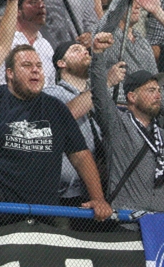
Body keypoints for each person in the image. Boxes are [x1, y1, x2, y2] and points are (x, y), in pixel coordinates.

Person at [0, 45, 111, 229]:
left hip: (43, 207)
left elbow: (81, 155)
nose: (35, 70)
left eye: (39, 66)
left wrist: (98, 198)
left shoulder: (55, 109)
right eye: (26, 65)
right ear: (10, 73)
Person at [44, 38, 123, 228]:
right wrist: (104, 82)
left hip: (97, 191)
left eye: (85, 50)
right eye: (76, 50)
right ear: (61, 63)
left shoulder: (98, 97)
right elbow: (67, 115)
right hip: (63, 194)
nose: (85, 52)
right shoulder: (51, 93)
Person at [90, 32, 164, 216]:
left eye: (159, 90)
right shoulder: (117, 124)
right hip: (127, 222)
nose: (158, 95)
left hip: (163, 226)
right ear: (132, 97)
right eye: (151, 90)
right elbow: (99, 94)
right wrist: (98, 55)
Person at [0, 0, 56, 86]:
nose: (41, 6)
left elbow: (51, 84)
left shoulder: (46, 46)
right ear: (18, 10)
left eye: (42, 2)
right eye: (33, 2)